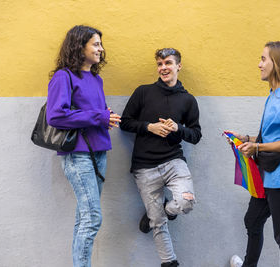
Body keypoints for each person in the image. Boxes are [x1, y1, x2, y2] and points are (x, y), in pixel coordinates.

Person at [227, 41, 280, 267]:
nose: (259, 64)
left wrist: (257, 148)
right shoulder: (274, 95)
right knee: (252, 220)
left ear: (278, 63)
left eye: (263, 59)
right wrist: (245, 139)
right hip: (268, 175)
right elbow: (271, 138)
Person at [46, 25, 121, 267]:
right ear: (80, 46)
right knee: (92, 218)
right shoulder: (63, 76)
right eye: (95, 44)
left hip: (98, 153)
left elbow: (90, 113)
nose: (101, 48)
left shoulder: (96, 78)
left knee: (84, 218)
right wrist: (98, 117)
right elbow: (55, 116)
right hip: (77, 155)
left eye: (100, 44)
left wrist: (105, 116)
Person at [120, 48, 202, 267]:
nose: (163, 68)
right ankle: (170, 263)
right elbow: (125, 122)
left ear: (178, 66)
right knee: (157, 223)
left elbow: (196, 135)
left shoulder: (188, 100)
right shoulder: (143, 92)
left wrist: (178, 128)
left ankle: (166, 208)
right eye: (159, 64)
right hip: (144, 167)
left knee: (186, 202)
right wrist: (149, 127)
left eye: (168, 63)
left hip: (174, 162)